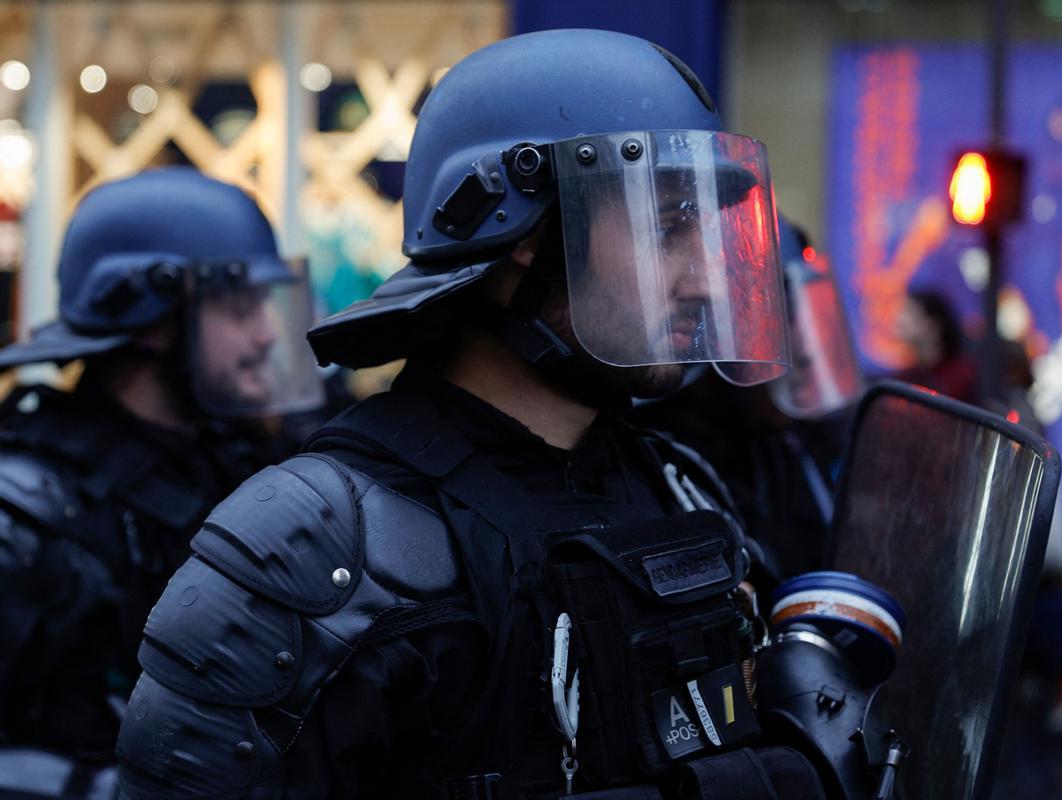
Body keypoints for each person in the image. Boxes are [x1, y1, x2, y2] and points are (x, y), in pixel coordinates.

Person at [115, 30, 829, 799]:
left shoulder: (679, 489)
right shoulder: (312, 546)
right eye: (668, 225)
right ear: (522, 234)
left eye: (713, 232)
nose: (709, 283)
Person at [0, 167, 322, 797]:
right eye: (238, 305)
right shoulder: (24, 516)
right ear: (150, 321)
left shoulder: (238, 466)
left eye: (266, 305)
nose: (265, 334)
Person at [630, 220, 862, 580]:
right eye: (778, 321)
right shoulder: (677, 459)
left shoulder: (793, 442)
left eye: (799, 316)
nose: (802, 352)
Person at [894, 289, 979, 403]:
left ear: (933, 325)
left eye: (909, 311)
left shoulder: (964, 376)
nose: (900, 319)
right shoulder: (905, 377)